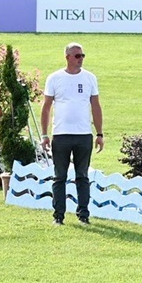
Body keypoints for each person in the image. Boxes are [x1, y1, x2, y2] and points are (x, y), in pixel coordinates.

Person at [41, 42, 103, 226]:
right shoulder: (54, 78)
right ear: (67, 57)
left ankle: (83, 214)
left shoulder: (90, 78)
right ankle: (58, 216)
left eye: (82, 55)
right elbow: (46, 108)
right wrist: (44, 135)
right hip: (61, 135)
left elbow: (96, 106)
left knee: (82, 176)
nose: (80, 59)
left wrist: (99, 133)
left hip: (84, 135)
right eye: (77, 56)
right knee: (59, 176)